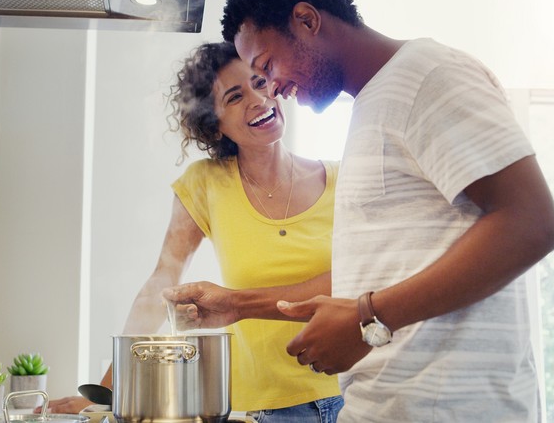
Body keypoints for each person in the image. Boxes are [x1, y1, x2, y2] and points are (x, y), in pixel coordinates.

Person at [172, 0, 554, 422]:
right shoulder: (373, 105)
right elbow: (393, 269)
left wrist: (365, 320)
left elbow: (531, 223)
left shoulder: (428, 76)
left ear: (307, 20)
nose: (271, 89)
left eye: (267, 66)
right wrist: (243, 304)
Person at [43, 41, 343, 422]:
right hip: (262, 409)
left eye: (260, 82)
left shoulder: (341, 179)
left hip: (353, 393)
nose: (258, 100)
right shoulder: (206, 184)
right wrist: (109, 393)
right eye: (235, 97)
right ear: (215, 124)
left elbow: (359, 280)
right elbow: (162, 282)